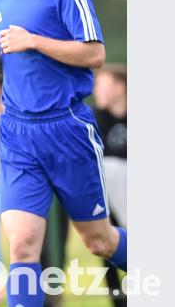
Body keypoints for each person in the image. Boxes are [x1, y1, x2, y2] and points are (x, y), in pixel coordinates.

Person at [0, 0, 126, 307]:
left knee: (99, 241)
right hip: (18, 134)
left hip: (67, 130)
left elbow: (94, 55)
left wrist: (34, 41)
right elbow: (19, 70)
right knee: (22, 245)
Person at [92, 64, 128, 307]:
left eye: (102, 86)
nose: (96, 92)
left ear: (121, 87)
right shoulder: (95, 119)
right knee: (105, 242)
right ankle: (118, 299)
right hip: (107, 196)